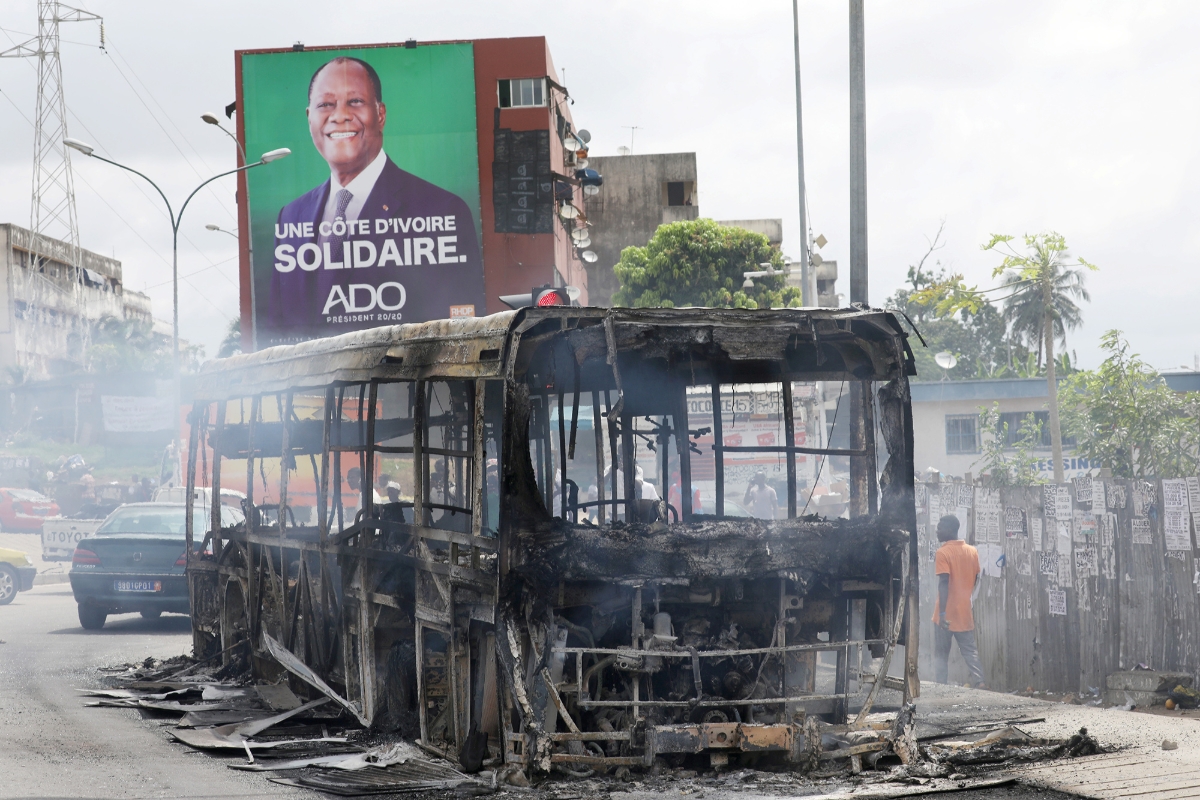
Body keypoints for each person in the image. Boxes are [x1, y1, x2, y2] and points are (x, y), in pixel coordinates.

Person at [268, 56, 484, 342]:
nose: (340, 115)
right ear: (309, 116)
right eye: (325, 104)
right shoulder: (291, 217)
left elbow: (465, 330)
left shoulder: (444, 210)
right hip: (313, 386)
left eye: (355, 101)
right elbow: (275, 329)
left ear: (380, 113)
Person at [932, 514, 986, 687]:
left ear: (949, 530)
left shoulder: (943, 553)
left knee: (941, 655)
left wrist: (942, 613)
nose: (937, 530)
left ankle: (941, 688)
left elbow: (943, 583)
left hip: (945, 614)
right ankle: (980, 682)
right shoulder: (972, 551)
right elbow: (976, 578)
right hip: (964, 612)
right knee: (970, 652)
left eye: (940, 527)